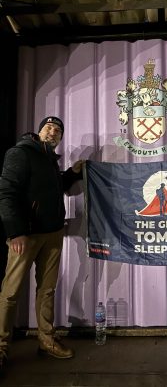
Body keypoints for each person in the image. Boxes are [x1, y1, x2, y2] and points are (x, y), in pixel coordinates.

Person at [0, 116, 83, 373]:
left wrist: (71, 174)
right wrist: (16, 232)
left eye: (58, 130)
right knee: (11, 293)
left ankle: (46, 340)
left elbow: (54, 187)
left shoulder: (49, 160)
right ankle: (1, 347)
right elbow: (7, 192)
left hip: (53, 235)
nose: (53, 132)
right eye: (49, 127)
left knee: (46, 291)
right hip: (26, 236)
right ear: (38, 132)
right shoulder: (21, 153)